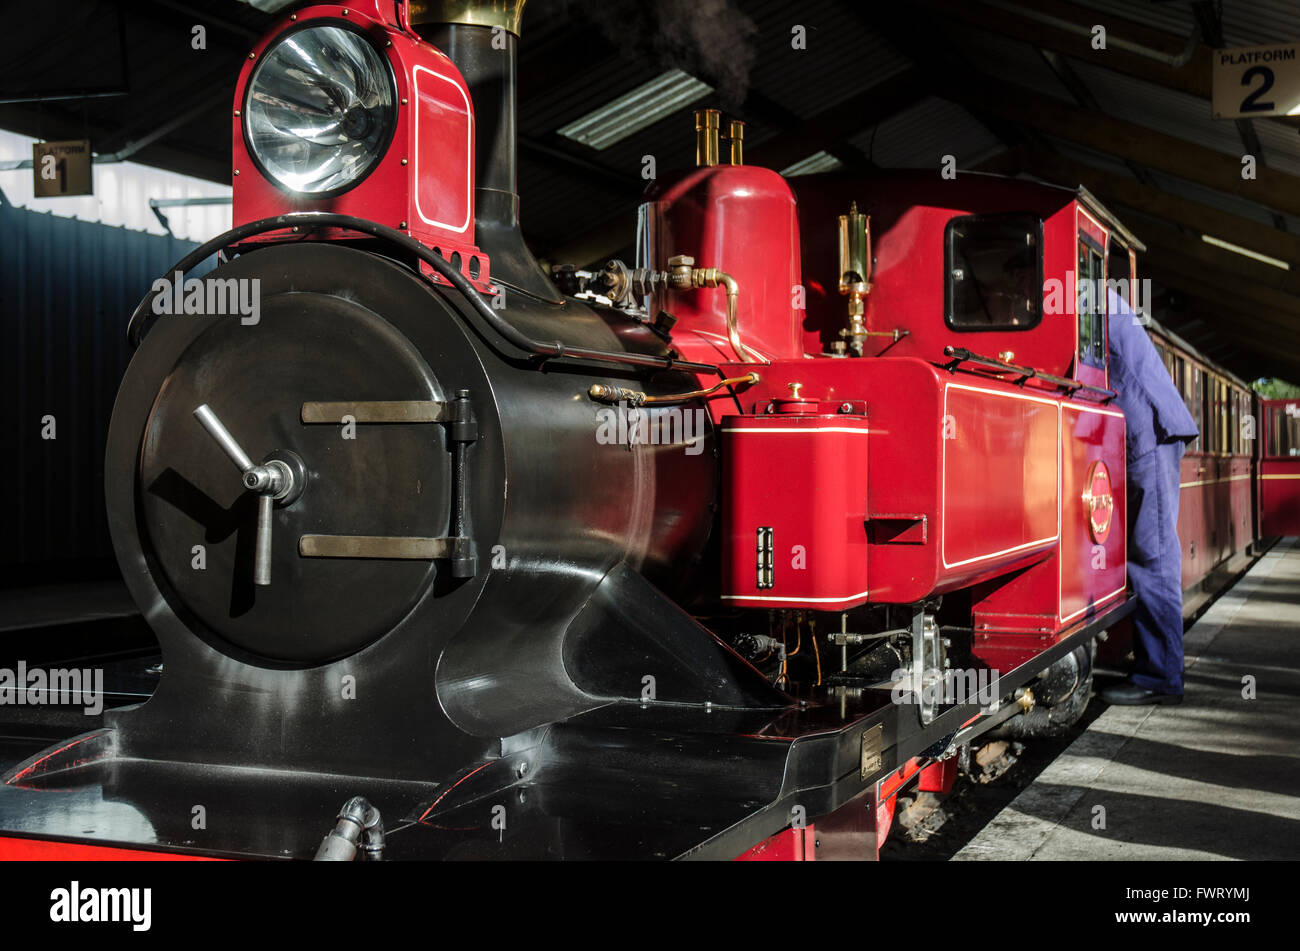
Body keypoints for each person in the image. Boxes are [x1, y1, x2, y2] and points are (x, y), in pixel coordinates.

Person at [1100, 289, 1199, 705]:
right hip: (1146, 433)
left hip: (1149, 433)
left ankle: (1160, 676)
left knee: (1153, 556)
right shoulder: (1090, 293)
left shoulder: (1080, 296)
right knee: (1150, 553)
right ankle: (1158, 668)